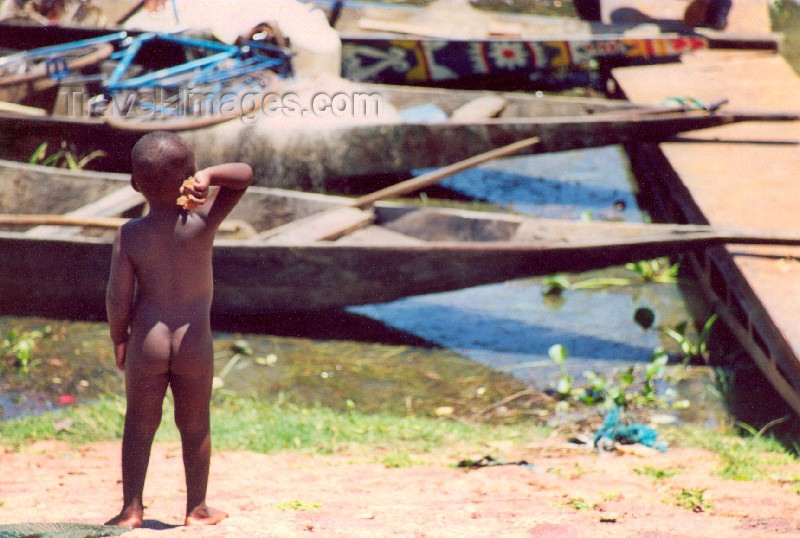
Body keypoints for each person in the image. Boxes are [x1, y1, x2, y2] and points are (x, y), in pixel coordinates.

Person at [104, 131, 253, 528]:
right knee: (195, 424)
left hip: (147, 340)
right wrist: (209, 174)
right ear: (189, 178)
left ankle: (131, 510)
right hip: (194, 340)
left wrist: (119, 338)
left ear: (136, 184)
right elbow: (244, 175)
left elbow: (118, 298)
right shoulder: (202, 221)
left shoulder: (130, 234)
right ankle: (197, 508)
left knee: (138, 422)